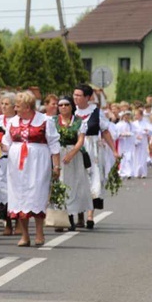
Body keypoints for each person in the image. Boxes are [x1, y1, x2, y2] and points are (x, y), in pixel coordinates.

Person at [2, 91, 61, 247]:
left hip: (38, 164)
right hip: (17, 166)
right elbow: (6, 143)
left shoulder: (44, 121)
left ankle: (39, 233)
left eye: (18, 106)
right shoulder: (13, 122)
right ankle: (25, 235)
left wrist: (56, 166)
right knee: (19, 196)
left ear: (27, 107)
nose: (15, 109)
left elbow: (54, 144)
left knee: (37, 195)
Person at [73, 84, 118, 228]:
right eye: (74, 95)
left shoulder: (96, 112)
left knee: (93, 180)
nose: (76, 98)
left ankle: (90, 215)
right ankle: (79, 215)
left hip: (92, 148)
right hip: (75, 148)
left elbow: (105, 132)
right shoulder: (71, 112)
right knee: (78, 180)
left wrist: (114, 150)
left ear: (87, 97)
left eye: (79, 95)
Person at [55, 96, 91, 230]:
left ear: (71, 106)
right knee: (60, 184)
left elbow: (80, 140)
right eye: (61, 105)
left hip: (74, 154)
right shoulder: (53, 121)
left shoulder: (78, 122)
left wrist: (72, 153)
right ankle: (62, 217)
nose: (63, 107)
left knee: (75, 184)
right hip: (58, 154)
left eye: (66, 104)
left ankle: (77, 215)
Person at [0, 93, 16, 234]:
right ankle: (7, 222)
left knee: (15, 188)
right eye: (2, 104)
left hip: (14, 158)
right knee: (1, 190)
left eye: (7, 104)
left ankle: (18, 221)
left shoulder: (17, 120)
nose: (4, 107)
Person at [116, 111, 136, 178]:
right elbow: (116, 133)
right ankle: (123, 171)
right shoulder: (119, 125)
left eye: (128, 116)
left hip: (129, 143)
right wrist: (122, 134)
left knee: (129, 158)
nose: (127, 117)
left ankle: (129, 171)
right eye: (125, 116)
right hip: (122, 143)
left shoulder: (131, 124)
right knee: (123, 157)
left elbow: (135, 132)